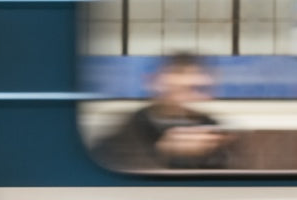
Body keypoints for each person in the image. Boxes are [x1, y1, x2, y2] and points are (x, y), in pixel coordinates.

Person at [92, 52, 229, 170]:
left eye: (198, 89)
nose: (187, 99)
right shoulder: (129, 131)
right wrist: (163, 152)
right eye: (180, 90)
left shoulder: (214, 131)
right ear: (153, 84)